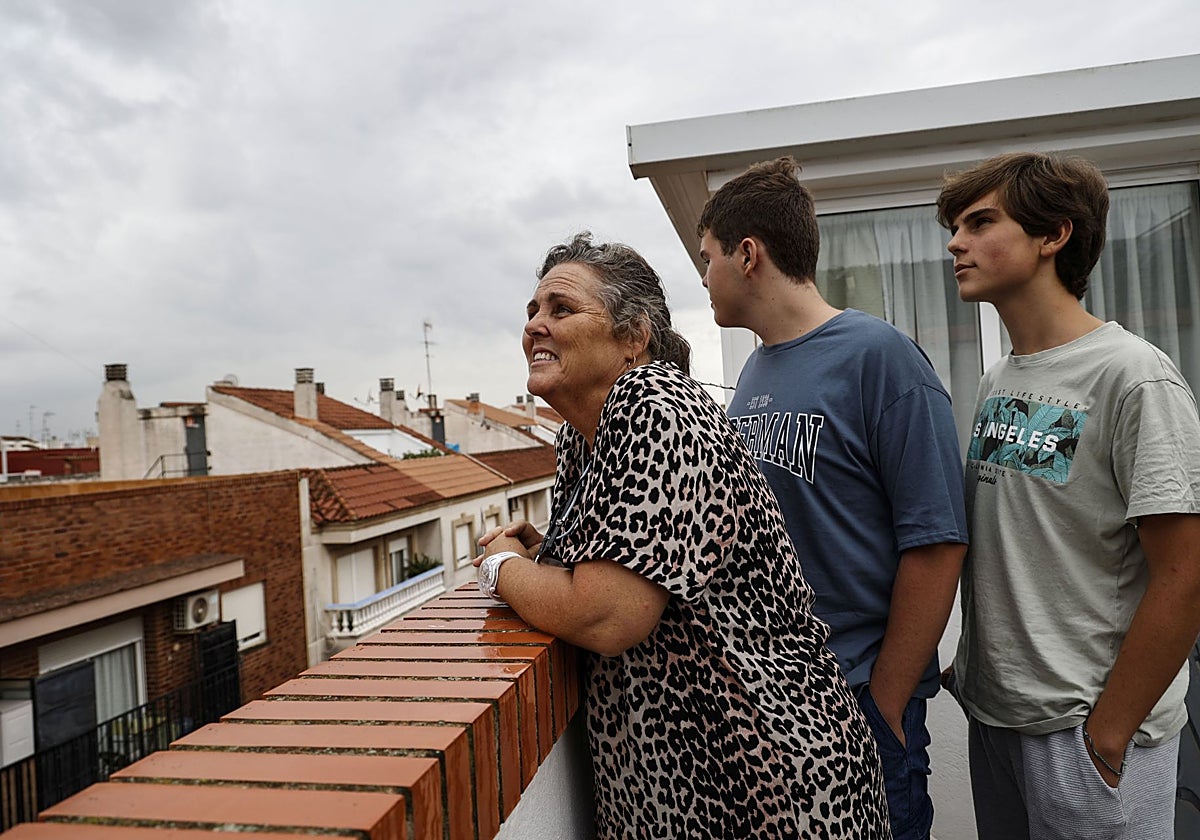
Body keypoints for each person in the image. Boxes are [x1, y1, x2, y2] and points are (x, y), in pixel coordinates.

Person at [475, 232, 889, 838]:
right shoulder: (583, 435)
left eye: (561, 309)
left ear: (633, 338)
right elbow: (622, 556)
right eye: (533, 311)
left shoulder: (657, 409)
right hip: (689, 787)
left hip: (770, 782)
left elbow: (606, 617)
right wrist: (546, 553)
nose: (535, 326)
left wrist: (503, 567)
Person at [696, 156, 968, 840]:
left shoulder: (879, 357)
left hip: (858, 705)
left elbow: (937, 543)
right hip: (774, 707)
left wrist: (883, 705)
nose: (703, 278)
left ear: (748, 254)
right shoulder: (756, 367)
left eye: (708, 259)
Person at [937, 151, 1200, 838]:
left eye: (980, 222)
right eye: (954, 226)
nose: (955, 242)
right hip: (999, 720)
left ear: (1054, 234)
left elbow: (1186, 574)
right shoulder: (1000, 380)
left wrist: (1107, 736)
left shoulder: (1134, 375)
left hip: (1087, 732)